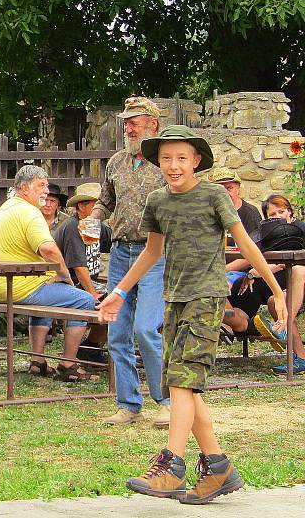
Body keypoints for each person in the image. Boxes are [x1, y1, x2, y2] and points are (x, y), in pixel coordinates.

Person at [98, 124, 286, 504]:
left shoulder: (214, 195)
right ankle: (218, 467)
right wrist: (119, 292)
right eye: (166, 158)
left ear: (196, 160)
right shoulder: (157, 202)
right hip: (174, 299)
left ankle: (173, 466)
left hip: (207, 298)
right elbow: (151, 253)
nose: (174, 165)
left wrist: (278, 291)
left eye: (181, 158)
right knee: (183, 385)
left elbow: (246, 244)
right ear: (158, 162)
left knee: (182, 382)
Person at [90, 96, 170, 427]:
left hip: (154, 253)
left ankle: (166, 402)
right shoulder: (117, 162)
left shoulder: (166, 162)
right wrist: (94, 219)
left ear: (153, 124)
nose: (128, 125)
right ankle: (128, 405)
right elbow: (105, 201)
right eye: (126, 120)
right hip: (121, 253)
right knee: (117, 332)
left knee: (145, 328)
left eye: (134, 120)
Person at [0, 165, 98, 382]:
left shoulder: (7, 207)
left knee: (46, 298)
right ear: (25, 187)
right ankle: (68, 364)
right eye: (41, 185)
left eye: (46, 185)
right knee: (84, 300)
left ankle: (37, 362)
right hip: (18, 286)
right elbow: (48, 249)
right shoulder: (30, 212)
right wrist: (65, 277)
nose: (46, 191)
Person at [225, 193, 305, 371]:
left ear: (290, 213)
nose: (277, 217)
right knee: (241, 286)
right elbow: (251, 255)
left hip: (298, 280)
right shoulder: (267, 234)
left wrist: (260, 271)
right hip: (279, 281)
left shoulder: (300, 229)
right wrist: (249, 274)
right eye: (272, 215)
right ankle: (246, 325)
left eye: (281, 212)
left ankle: (299, 355)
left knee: (275, 301)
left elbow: (294, 264)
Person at [53, 181, 112, 365]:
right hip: (67, 284)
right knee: (106, 301)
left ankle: (92, 346)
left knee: (116, 297)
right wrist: (93, 294)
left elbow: (114, 243)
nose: (101, 210)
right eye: (97, 205)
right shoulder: (73, 227)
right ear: (82, 205)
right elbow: (79, 268)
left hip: (87, 283)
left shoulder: (97, 226)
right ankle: (88, 349)